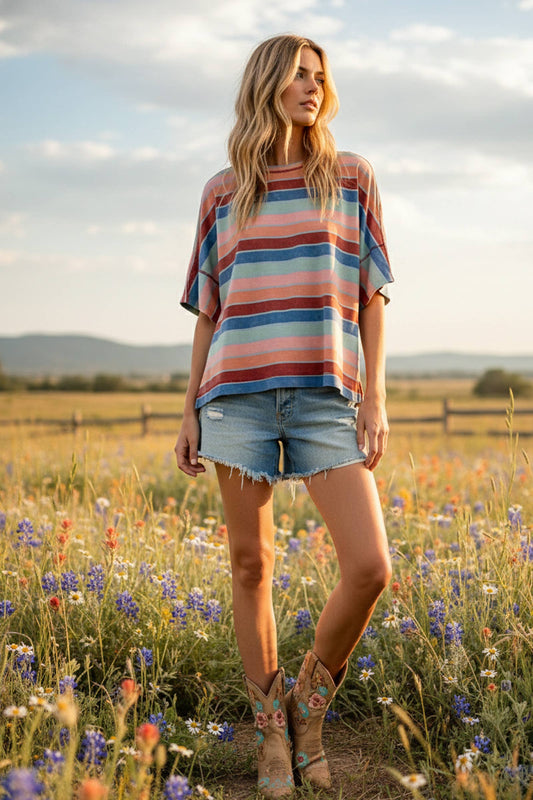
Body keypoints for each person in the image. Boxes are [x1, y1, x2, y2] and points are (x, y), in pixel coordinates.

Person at [175, 33, 394, 799]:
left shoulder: (349, 176)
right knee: (250, 566)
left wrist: (374, 400)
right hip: (233, 395)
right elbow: (209, 308)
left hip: (326, 396)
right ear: (266, 83)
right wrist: (188, 409)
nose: (312, 86)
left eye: (319, 76)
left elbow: (370, 295)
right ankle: (272, 738)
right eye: (299, 75)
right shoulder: (220, 191)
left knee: (369, 566)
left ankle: (309, 707)